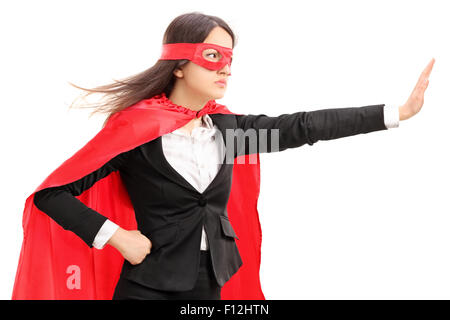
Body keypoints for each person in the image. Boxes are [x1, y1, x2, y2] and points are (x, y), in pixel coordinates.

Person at [12, 12, 435, 300]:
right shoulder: (137, 130)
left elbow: (304, 126)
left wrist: (395, 113)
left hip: (213, 280)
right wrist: (117, 236)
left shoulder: (230, 132)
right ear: (179, 64)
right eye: (213, 57)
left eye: (230, 60)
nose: (225, 69)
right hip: (149, 283)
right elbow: (53, 194)